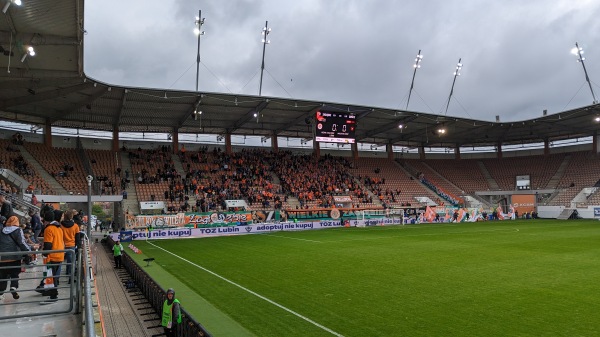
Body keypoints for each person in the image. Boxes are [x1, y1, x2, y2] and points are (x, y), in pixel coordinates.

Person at [0, 214, 31, 301]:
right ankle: (13, 287)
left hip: (2, 258)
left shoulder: (1, 230)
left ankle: (1, 293)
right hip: (15, 257)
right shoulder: (18, 230)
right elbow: (22, 243)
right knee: (14, 273)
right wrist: (28, 252)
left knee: (2, 276)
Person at [39, 209, 65, 302]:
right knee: (53, 277)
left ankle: (53, 296)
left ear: (45, 220)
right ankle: (51, 293)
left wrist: (45, 254)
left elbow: (48, 245)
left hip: (52, 256)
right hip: (60, 255)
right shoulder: (59, 228)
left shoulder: (49, 229)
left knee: (51, 276)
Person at [61, 210, 80, 283]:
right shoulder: (75, 226)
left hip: (62, 245)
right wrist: (77, 246)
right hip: (71, 245)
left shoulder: (61, 225)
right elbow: (77, 238)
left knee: (60, 262)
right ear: (72, 217)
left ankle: (56, 279)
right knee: (71, 262)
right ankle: (70, 278)